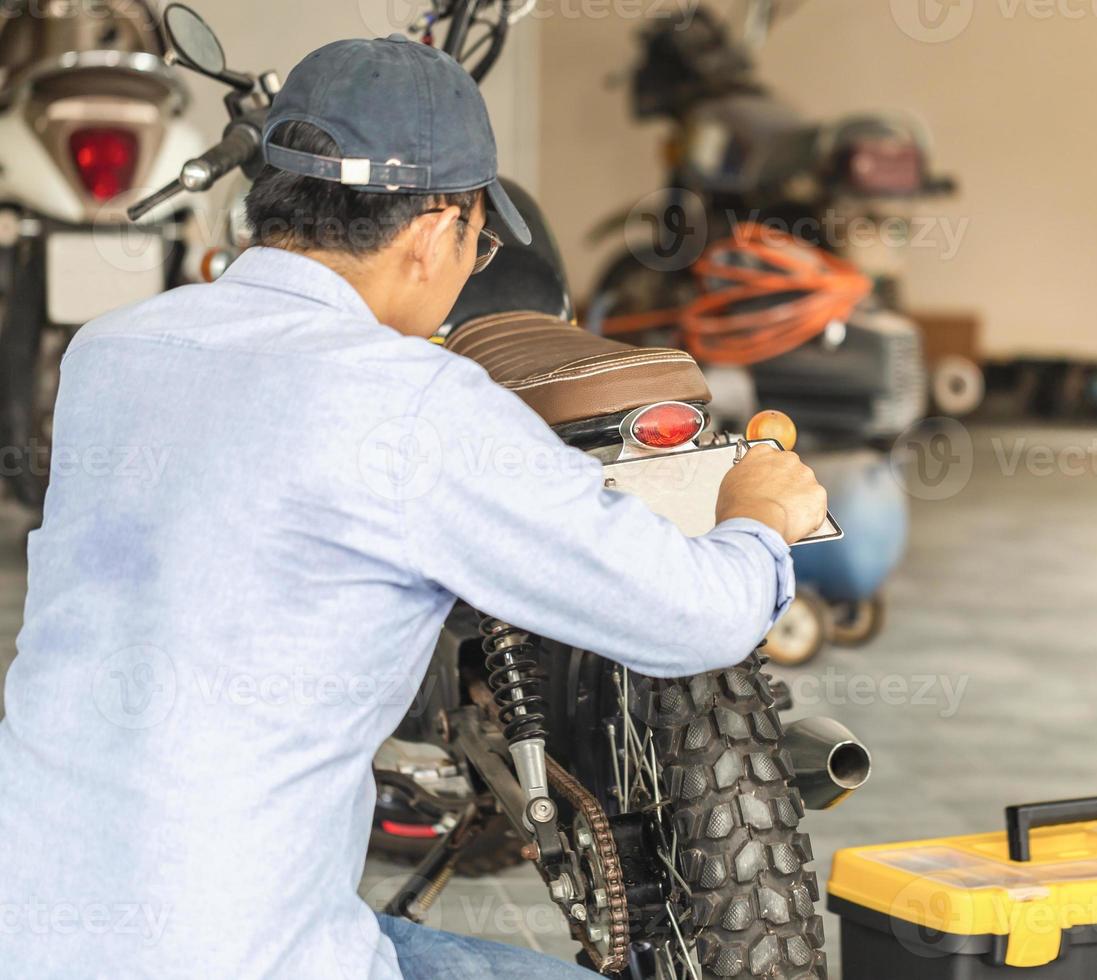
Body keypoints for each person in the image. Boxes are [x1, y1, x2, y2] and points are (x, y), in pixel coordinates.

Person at [0, 34, 826, 980]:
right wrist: (757, 515)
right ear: (438, 230)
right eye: (478, 241)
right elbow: (697, 616)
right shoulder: (412, 401)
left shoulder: (108, 354)